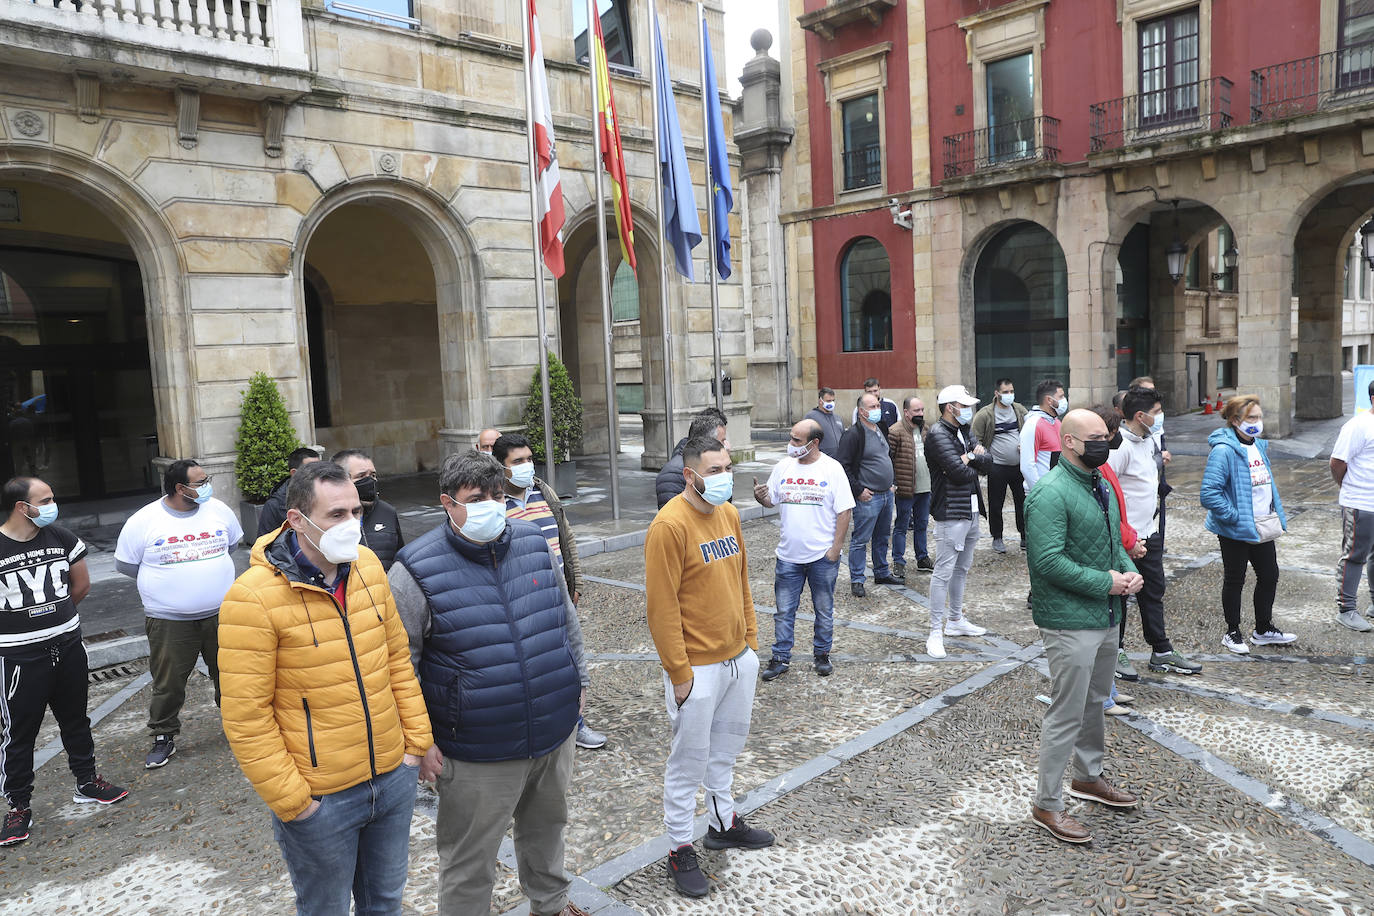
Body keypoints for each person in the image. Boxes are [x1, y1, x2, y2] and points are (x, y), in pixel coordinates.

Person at [219, 461, 433, 916]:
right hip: (323, 799)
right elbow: (246, 716)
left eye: (357, 511)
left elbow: (396, 658)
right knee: (325, 909)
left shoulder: (369, 566)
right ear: (296, 520)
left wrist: (414, 746)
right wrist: (296, 802)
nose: (352, 525)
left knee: (385, 904)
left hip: (392, 778)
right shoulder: (252, 597)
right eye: (337, 514)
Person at [390, 451, 591, 916]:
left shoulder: (532, 540)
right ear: (448, 503)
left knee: (547, 831)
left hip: (553, 728)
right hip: (474, 749)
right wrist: (419, 741)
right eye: (476, 498)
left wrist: (579, 682)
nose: (491, 506)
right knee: (468, 858)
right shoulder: (413, 569)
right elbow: (398, 665)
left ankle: (553, 904)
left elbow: (565, 618)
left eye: (497, 495)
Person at [646, 435, 772, 898]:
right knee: (688, 762)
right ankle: (680, 845)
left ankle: (723, 821)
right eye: (714, 470)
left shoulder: (730, 514)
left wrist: (751, 645)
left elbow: (741, 583)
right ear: (690, 474)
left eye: (727, 467)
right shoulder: (669, 526)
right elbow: (661, 609)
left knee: (725, 752)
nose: (724, 477)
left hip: (738, 660)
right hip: (697, 669)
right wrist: (680, 674)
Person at [1025, 409, 1142, 844]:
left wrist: (1128, 571)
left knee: (1096, 701)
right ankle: (1047, 804)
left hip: (1107, 614)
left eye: (1106, 437)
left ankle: (1087, 777)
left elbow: (1113, 544)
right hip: (1070, 620)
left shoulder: (1100, 484)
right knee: (1066, 710)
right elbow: (1047, 562)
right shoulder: (1049, 493)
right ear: (1069, 442)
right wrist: (1107, 582)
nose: (1105, 443)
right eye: (1095, 437)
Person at [1, 477, 127, 848]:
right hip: (19, 659)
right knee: (19, 735)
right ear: (22, 507)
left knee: (76, 720)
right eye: (47, 500)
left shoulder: (62, 537)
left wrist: (56, 619)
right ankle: (19, 807)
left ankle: (87, 782)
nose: (54, 505)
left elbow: (81, 586)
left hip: (68, 647)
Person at [115, 458, 242, 769]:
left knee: (232, 675)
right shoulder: (144, 521)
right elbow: (126, 565)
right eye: (200, 482)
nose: (207, 486)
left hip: (222, 615)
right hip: (169, 621)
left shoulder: (219, 510)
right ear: (180, 488)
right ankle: (163, 735)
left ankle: (240, 728)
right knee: (169, 682)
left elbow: (233, 545)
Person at [493, 433, 605, 750]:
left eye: (529, 459)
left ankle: (576, 723)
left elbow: (565, 539)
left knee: (568, 659)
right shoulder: (495, 505)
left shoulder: (544, 491)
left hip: (558, 594)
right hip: (524, 599)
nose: (527, 466)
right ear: (502, 468)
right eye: (518, 462)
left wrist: (576, 582)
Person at [1107, 387, 1201, 676]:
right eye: (1157, 412)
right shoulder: (1119, 446)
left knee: (1153, 591)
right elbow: (1109, 495)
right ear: (1140, 415)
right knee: (1120, 593)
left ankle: (1161, 650)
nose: (1161, 417)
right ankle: (1116, 651)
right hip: (1125, 539)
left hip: (1150, 533)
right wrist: (1126, 538)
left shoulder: (1149, 440)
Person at [753, 419, 854, 680]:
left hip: (822, 556)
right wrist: (760, 496)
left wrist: (835, 550)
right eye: (791, 438)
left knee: (823, 608)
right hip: (788, 556)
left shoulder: (832, 469)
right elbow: (770, 500)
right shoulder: (783, 466)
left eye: (797, 440)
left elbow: (844, 511)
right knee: (784, 611)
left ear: (814, 442)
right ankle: (780, 658)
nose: (791, 444)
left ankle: (822, 654)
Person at [1200, 396, 1298, 653]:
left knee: (1270, 575)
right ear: (1235, 421)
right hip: (1235, 528)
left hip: (1262, 525)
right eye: (1251, 418)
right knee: (1235, 579)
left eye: (1259, 417)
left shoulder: (1258, 446)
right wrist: (1234, 517)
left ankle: (1263, 629)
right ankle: (1232, 632)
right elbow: (1209, 493)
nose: (1257, 422)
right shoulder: (1223, 450)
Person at [923, 385, 992, 659]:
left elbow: (988, 463)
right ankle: (934, 631)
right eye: (963, 405)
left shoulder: (963, 431)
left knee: (962, 568)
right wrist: (974, 457)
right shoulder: (938, 434)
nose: (967, 410)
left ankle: (955, 621)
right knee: (943, 571)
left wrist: (973, 456)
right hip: (951, 509)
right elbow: (959, 473)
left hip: (972, 507)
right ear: (950, 407)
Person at [1088, 407, 1137, 716]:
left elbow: (1115, 510)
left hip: (1112, 552)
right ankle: (1101, 697)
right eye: (1107, 435)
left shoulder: (1102, 466)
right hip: (1100, 561)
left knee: (1111, 631)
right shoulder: (1096, 469)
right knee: (1099, 634)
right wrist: (1131, 542)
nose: (1113, 439)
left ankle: (1108, 690)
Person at [837, 392, 901, 597]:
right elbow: (843, 466)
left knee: (882, 536)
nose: (878, 410)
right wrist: (858, 491)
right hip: (868, 497)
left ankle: (881, 572)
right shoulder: (854, 435)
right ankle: (857, 578)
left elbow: (886, 456)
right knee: (860, 539)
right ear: (862, 412)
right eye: (873, 407)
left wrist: (892, 483)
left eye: (878, 405)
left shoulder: (881, 428)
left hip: (886, 494)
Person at [1330, 381, 1374, 633]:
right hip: (1360, 502)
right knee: (1354, 555)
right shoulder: (1357, 426)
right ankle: (1346, 609)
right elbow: (1337, 463)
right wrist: (1348, 488)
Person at [971, 378, 1027, 553]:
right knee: (996, 504)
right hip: (997, 466)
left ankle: (1025, 536)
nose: (1009, 395)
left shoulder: (1019, 410)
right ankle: (997, 537)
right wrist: (983, 454)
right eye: (1005, 392)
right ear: (997, 393)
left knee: (1023, 502)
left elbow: (1029, 430)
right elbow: (975, 438)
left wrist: (1024, 443)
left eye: (1011, 391)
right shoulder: (985, 414)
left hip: (1019, 465)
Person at [332, 449, 405, 570]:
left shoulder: (388, 512)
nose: (370, 481)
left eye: (373, 475)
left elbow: (400, 558)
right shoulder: (330, 518)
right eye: (361, 476)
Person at [888, 397, 933, 577]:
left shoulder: (925, 429)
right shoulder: (895, 431)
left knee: (922, 523)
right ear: (906, 412)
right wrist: (894, 483)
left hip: (925, 486)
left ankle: (922, 557)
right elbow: (889, 459)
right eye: (916, 411)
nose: (920, 413)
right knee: (902, 525)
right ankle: (898, 561)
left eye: (922, 410)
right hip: (905, 488)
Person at [655, 408, 729, 509]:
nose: (726, 445)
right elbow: (674, 516)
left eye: (728, 468)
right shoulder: (673, 474)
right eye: (722, 441)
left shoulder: (730, 513)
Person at [256, 447, 321, 539]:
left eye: (320, 469)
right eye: (311, 470)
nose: (318, 474)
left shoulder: (326, 495)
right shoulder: (275, 505)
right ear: (294, 473)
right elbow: (264, 544)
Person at [1020, 379, 1067, 492]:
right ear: (1049, 400)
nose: (1064, 400)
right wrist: (1040, 492)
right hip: (1043, 492)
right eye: (1061, 397)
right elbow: (1027, 465)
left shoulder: (1056, 422)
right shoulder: (1033, 424)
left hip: (1057, 489)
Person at [805, 387, 846, 459]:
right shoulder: (811, 417)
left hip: (838, 461)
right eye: (828, 401)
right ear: (820, 401)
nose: (831, 403)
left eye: (833, 400)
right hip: (821, 461)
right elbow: (805, 440)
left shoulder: (837, 418)